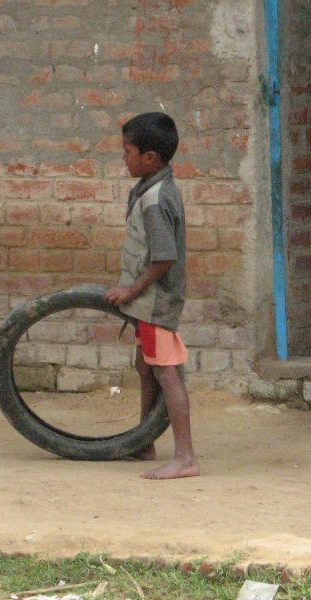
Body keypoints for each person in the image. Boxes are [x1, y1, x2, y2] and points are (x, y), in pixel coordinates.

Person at [104, 112, 199, 480]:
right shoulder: (149, 187)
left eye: (127, 152)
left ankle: (186, 457)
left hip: (155, 300)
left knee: (166, 372)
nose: (123, 158)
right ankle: (144, 443)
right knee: (146, 367)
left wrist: (131, 289)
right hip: (148, 300)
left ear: (150, 158)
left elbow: (163, 258)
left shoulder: (156, 199)